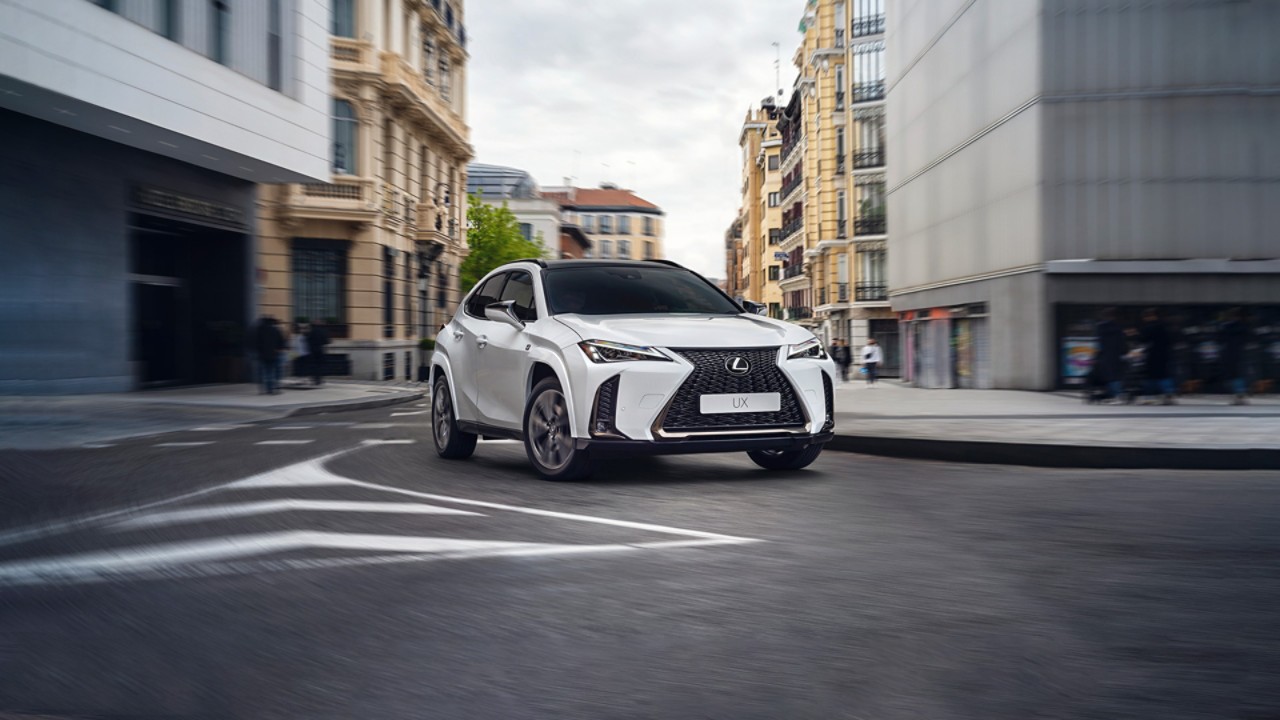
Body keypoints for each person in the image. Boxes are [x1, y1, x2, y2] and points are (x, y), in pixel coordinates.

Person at [1139, 308, 1176, 405]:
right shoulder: (1164, 326)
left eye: (1145, 317)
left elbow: (1143, 340)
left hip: (1152, 355)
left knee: (1150, 377)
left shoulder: (1149, 327)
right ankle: (1168, 394)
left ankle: (1149, 396)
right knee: (1164, 375)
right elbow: (1169, 341)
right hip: (1164, 355)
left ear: (1149, 316)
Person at [1092, 308, 1128, 402]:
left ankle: (1111, 394)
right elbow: (1122, 342)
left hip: (1105, 354)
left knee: (1107, 374)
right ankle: (1117, 394)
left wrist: (1097, 355)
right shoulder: (1118, 327)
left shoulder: (1100, 327)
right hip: (1116, 354)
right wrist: (1124, 352)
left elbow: (1099, 342)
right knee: (1116, 375)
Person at [1219, 308, 1250, 405]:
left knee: (1235, 375)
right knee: (1238, 375)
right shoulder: (1243, 327)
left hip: (1232, 354)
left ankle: (1239, 395)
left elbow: (1222, 338)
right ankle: (1239, 395)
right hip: (1239, 353)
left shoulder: (1228, 327)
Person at [253, 316, 286, 395]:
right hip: (274, 354)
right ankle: (272, 388)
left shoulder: (259, 330)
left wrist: (258, 351)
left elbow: (256, 343)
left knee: (265, 371)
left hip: (262, 354)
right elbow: (281, 341)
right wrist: (279, 349)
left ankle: (265, 388)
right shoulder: (275, 330)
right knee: (273, 371)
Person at [305, 322, 330, 386]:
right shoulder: (322, 331)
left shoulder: (310, 332)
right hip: (320, 349)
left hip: (312, 350)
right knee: (320, 365)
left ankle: (314, 378)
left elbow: (307, 340)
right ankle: (319, 379)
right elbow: (327, 341)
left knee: (313, 364)